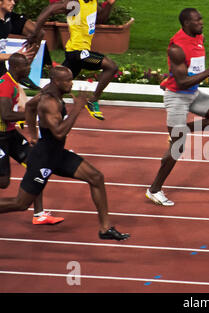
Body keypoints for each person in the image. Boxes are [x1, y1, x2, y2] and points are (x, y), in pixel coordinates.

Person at [0, 61, 129, 240]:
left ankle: (105, 228)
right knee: (21, 203)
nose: (71, 84)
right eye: (67, 81)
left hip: (57, 154)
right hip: (44, 158)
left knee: (96, 177)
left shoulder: (47, 92)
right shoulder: (49, 102)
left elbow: (30, 107)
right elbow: (59, 133)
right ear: (56, 81)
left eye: (71, 79)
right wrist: (76, 109)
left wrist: (33, 134)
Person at [146, 8, 209, 206]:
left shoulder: (199, 37)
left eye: (201, 19)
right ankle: (154, 190)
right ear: (186, 23)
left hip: (194, 94)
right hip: (177, 96)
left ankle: (182, 130)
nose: (202, 23)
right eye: (197, 21)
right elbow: (181, 83)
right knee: (177, 149)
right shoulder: (176, 48)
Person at [27, 0, 119, 120]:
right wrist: (35, 34)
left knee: (54, 88)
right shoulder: (75, 5)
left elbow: (100, 19)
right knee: (112, 67)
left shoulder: (92, 4)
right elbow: (49, 10)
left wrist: (109, 4)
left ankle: (29, 108)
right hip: (78, 53)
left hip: (77, 55)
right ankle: (93, 100)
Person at [0, 52, 64, 224]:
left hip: (10, 133)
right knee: (3, 182)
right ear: (15, 67)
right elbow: (5, 114)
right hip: (0, 137)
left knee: (35, 164)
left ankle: (39, 214)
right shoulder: (5, 85)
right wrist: (29, 115)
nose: (29, 68)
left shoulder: (14, 82)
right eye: (26, 65)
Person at [0, 0, 50, 90]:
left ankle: (22, 72)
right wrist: (13, 56)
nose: (13, 3)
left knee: (38, 33)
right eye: (10, 0)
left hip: (2, 69)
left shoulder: (7, 16)